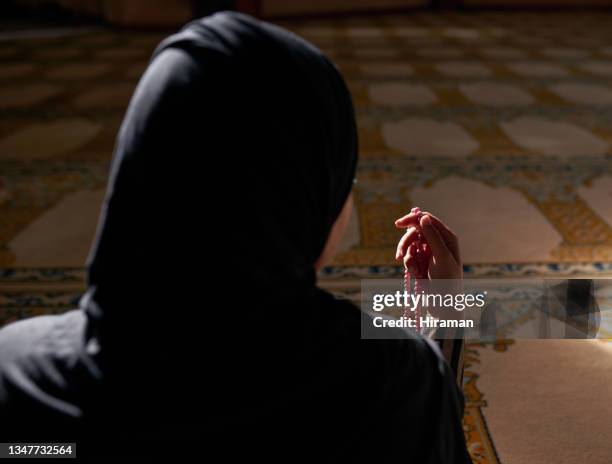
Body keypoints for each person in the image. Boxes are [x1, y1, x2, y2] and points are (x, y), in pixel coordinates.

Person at [0, 12, 471, 462]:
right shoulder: (388, 388)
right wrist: (442, 324)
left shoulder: (16, 376)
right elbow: (429, 437)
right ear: (304, 199)